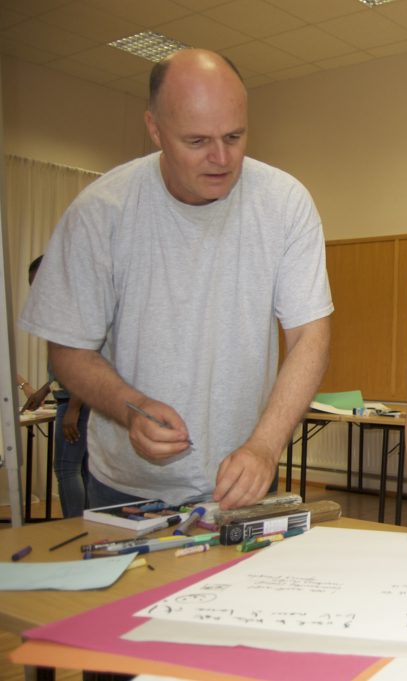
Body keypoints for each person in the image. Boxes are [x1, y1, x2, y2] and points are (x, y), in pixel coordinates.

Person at [19, 49, 332, 511]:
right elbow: (68, 349)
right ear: (154, 130)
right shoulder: (100, 213)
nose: (221, 158)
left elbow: (310, 336)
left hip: (244, 481)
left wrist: (265, 445)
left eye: (234, 136)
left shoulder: (285, 203)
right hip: (126, 490)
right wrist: (130, 409)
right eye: (197, 141)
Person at [20, 254, 92, 517]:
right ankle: (85, 527)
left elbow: (86, 360)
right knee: (81, 468)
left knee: (65, 468)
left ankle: (75, 527)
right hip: (72, 397)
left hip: (76, 400)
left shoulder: (71, 311)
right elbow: (65, 367)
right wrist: (45, 387)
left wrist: (73, 408)